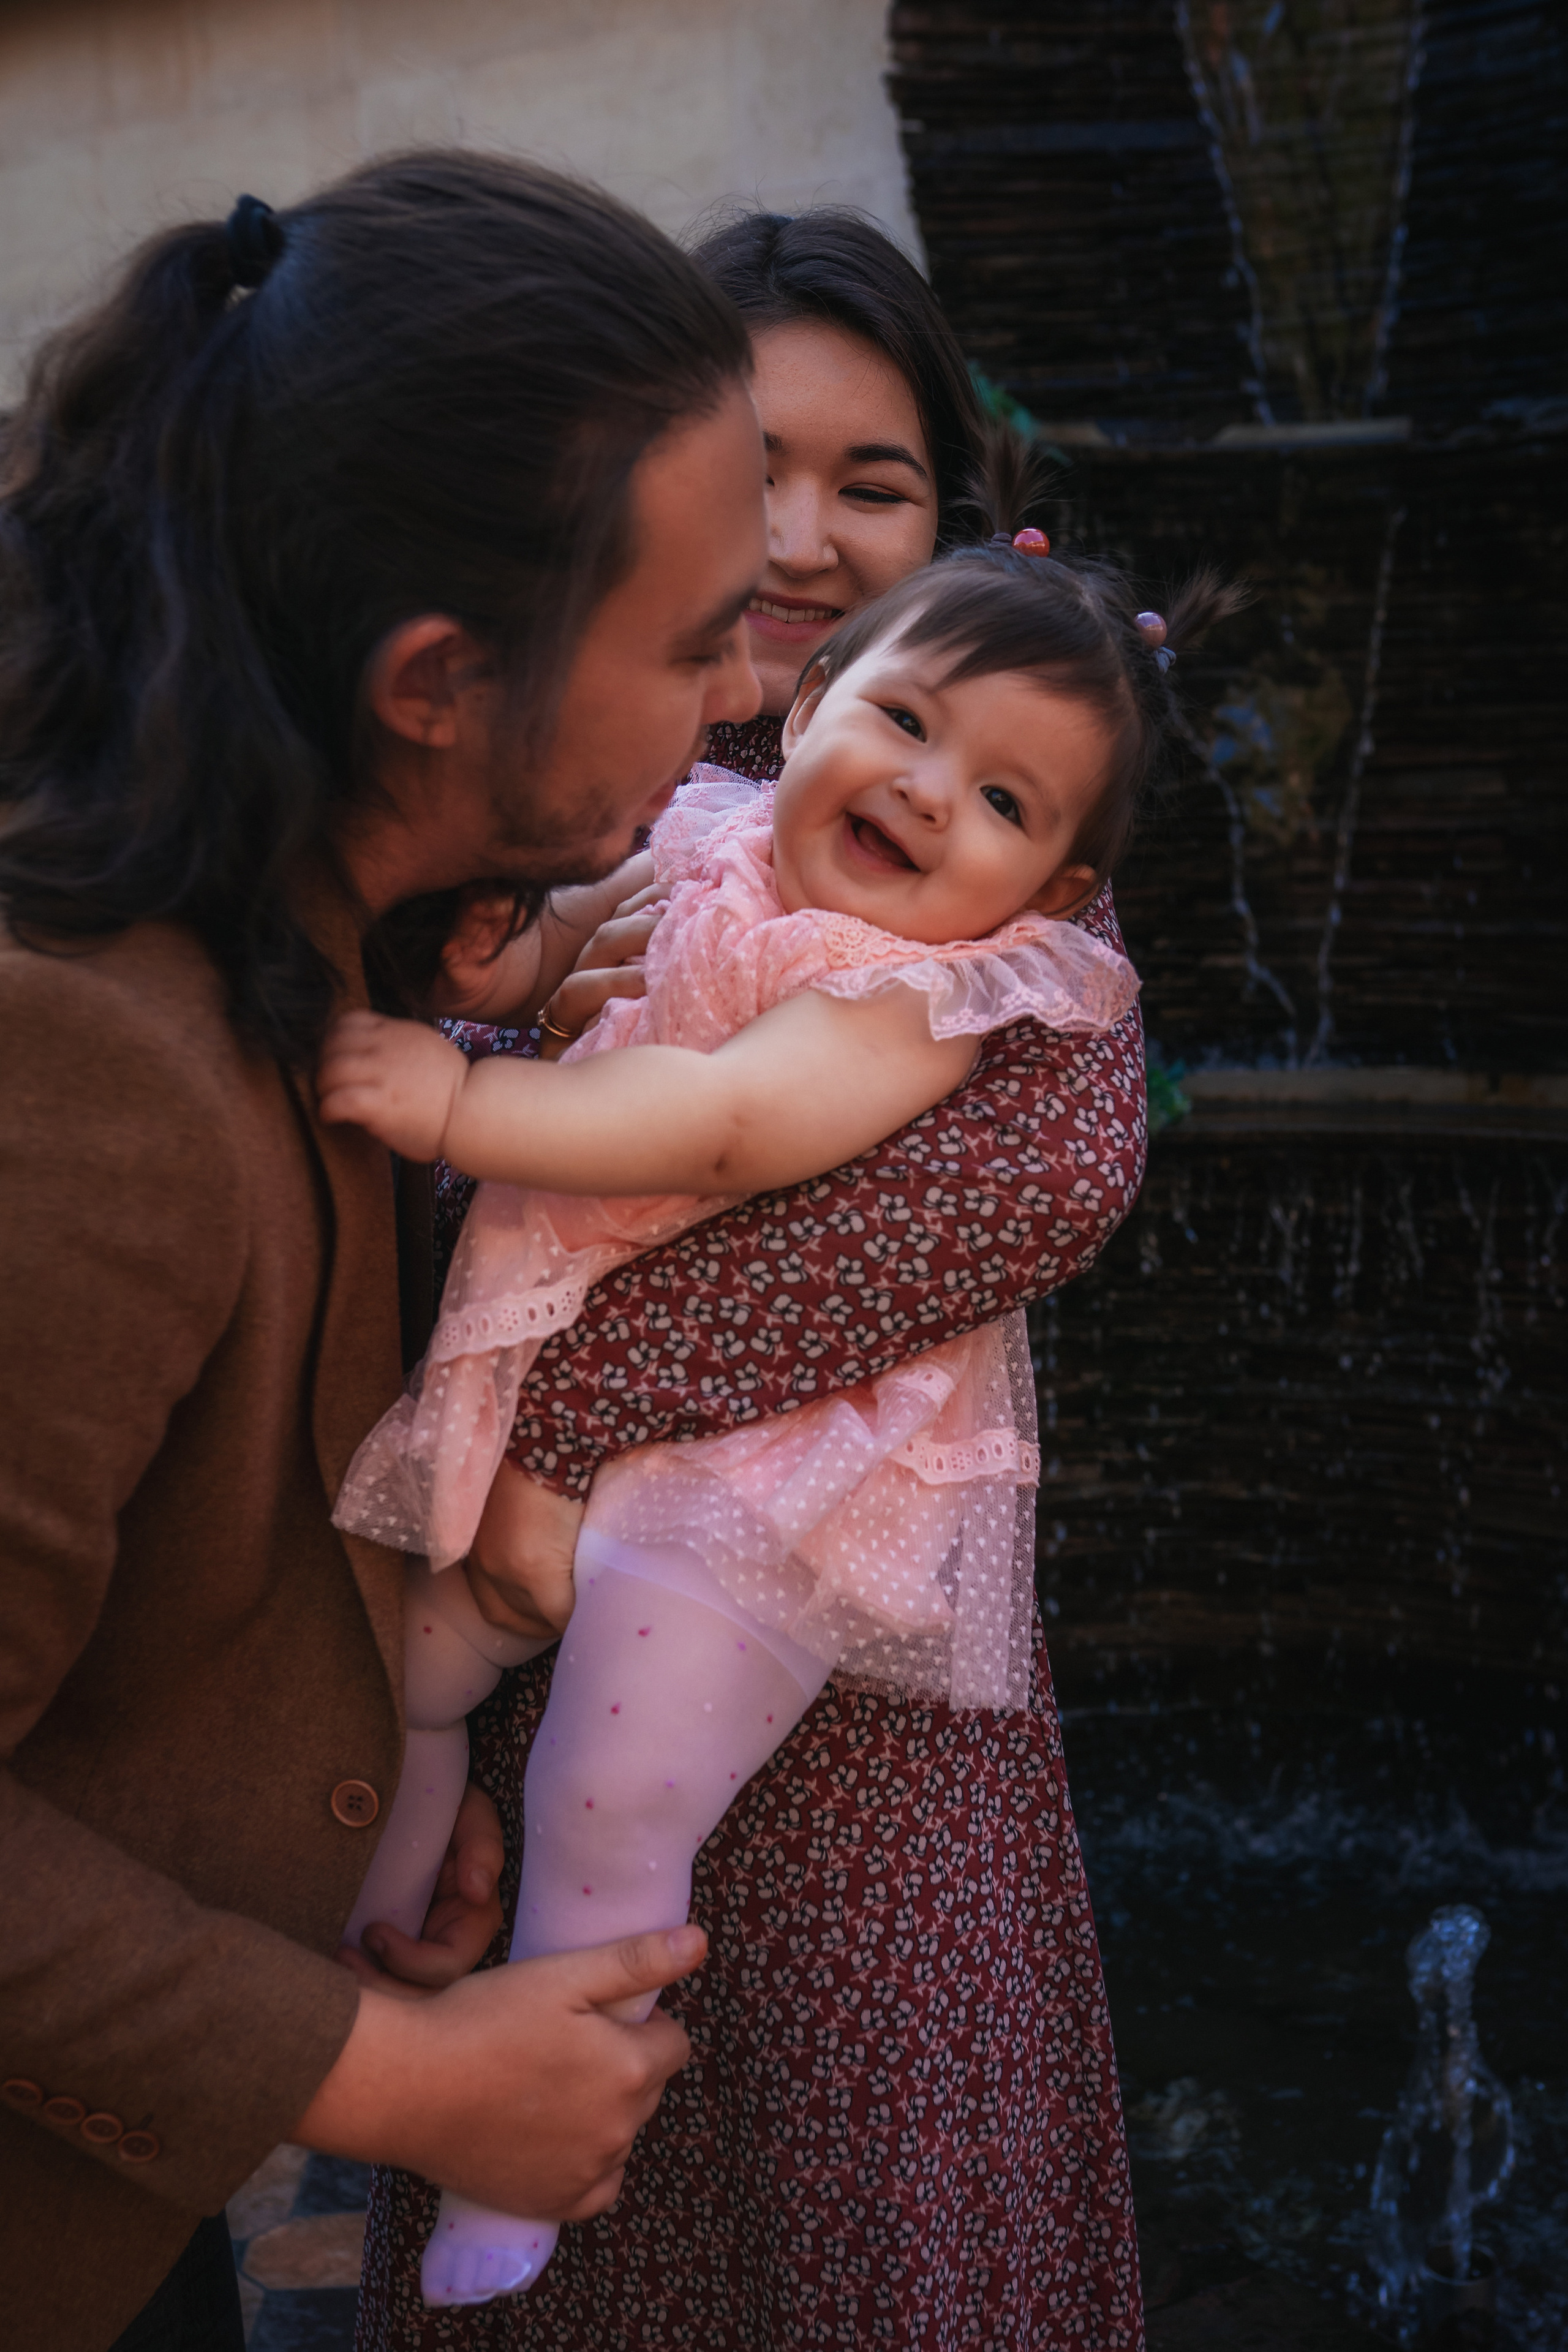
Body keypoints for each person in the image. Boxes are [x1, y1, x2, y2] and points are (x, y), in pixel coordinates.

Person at [352, 219, 1158, 2351]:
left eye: (872, 482)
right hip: (493, 1683)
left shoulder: (1013, 968)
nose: (803, 533)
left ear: (951, 520)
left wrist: (553, 1445)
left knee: (845, 2256)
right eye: (752, 460)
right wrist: (494, 976)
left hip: (846, 1770)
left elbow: (899, 1237)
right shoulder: (571, 812)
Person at [0, 153, 775, 2351]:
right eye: (695, 635)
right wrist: (400, 2084)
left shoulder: (299, 933)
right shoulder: (83, 1068)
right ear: (436, 679)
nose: (739, 700)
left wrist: (306, 1790)